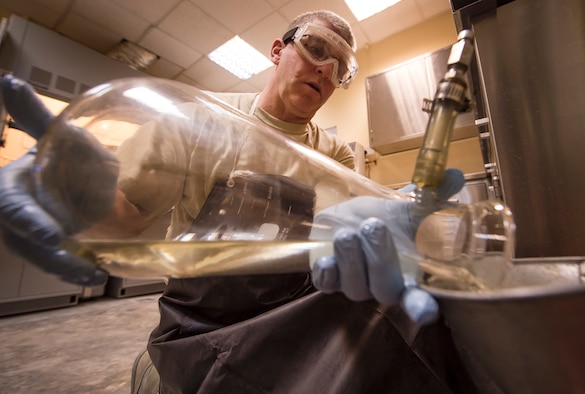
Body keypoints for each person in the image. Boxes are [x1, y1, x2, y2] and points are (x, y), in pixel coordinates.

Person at [0, 10, 475, 393]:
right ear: (277, 50)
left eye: (341, 68)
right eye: (315, 49)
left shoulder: (335, 153)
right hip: (204, 327)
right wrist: (72, 194)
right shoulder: (201, 122)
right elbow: (121, 220)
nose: (325, 71)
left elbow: (341, 237)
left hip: (296, 316)